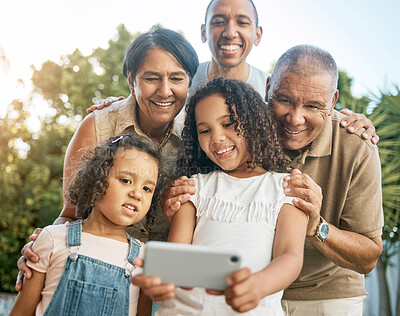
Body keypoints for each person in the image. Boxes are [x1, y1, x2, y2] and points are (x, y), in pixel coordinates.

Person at [161, 45, 384, 315]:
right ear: (268, 89)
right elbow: (173, 265)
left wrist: (316, 227)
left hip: (323, 290)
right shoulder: (246, 119)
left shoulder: (354, 147)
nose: (295, 118)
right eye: (285, 100)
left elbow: (367, 254)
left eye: (313, 105)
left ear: (332, 100)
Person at [16, 26, 199, 290]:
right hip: (95, 272)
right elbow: (70, 214)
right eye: (151, 78)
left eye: (177, 79)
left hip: (163, 280)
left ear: (189, 82)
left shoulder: (199, 135)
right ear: (131, 80)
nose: (165, 90)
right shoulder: (98, 126)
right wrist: (41, 250)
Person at [133, 77, 308, 315]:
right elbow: (177, 259)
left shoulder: (286, 189)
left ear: (255, 123)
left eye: (228, 124)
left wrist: (258, 285)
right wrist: (162, 280)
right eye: (204, 130)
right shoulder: (194, 188)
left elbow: (291, 257)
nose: (216, 138)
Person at [11, 135, 160, 316]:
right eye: (126, 180)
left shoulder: (144, 259)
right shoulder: (53, 238)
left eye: (147, 189)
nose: (137, 194)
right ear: (96, 179)